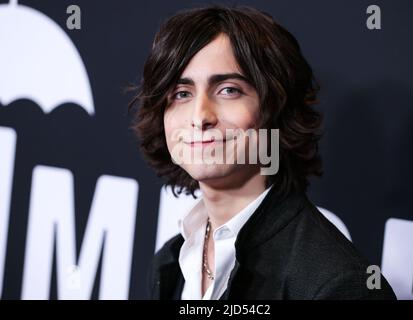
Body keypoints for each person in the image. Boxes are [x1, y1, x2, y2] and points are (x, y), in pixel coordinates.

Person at [129, 5, 396, 300]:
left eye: (228, 90)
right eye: (181, 94)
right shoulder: (169, 264)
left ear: (275, 110)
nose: (200, 115)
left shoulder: (337, 284)